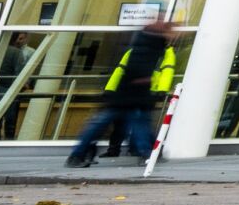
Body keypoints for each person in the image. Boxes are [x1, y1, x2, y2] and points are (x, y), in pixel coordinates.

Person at [65, 17, 177, 169]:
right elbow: (164, 71)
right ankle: (146, 154)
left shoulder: (140, 45)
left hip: (123, 94)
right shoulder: (157, 49)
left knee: (108, 125)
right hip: (135, 95)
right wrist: (160, 90)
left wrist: (110, 89)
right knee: (138, 125)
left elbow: (121, 70)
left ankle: (79, 154)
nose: (173, 35)